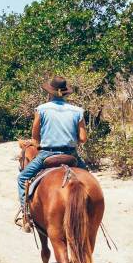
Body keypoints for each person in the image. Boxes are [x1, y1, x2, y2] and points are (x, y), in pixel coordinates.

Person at [16, 76, 88, 231]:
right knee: (88, 180)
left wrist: (43, 141)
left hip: (47, 154)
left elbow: (35, 139)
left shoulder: (41, 109)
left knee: (22, 178)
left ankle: (26, 216)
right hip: (71, 155)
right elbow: (83, 138)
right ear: (66, 93)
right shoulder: (77, 111)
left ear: (50, 93)